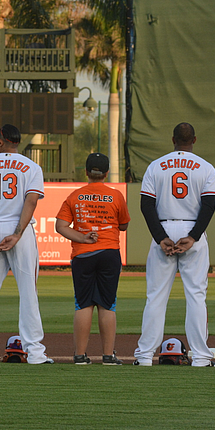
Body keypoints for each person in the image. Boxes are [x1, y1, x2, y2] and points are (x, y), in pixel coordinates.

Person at [133, 123, 215, 367]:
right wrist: (193, 236)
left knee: (156, 297)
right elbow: (209, 205)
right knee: (196, 296)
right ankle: (201, 357)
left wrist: (161, 237)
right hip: (193, 230)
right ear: (194, 139)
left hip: (165, 227)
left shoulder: (156, 165)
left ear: (173, 139)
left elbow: (146, 206)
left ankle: (144, 356)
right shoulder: (205, 167)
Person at [0, 124, 52, 364]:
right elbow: (31, 202)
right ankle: (35, 353)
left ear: (0, 141)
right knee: (28, 292)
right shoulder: (32, 167)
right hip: (20, 230)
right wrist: (17, 233)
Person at [56, 152, 130, 365]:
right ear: (106, 173)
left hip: (82, 254)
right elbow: (124, 224)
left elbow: (60, 226)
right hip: (109, 252)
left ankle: (80, 355)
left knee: (83, 304)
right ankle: (108, 356)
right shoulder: (116, 195)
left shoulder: (75, 195)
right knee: (107, 305)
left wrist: (82, 237)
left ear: (86, 172)